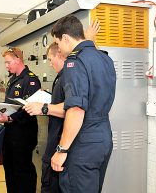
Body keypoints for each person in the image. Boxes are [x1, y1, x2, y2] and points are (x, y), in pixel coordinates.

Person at [23, 21, 100, 193]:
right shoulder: (68, 74)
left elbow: (75, 108)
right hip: (81, 142)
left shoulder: (71, 72)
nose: (49, 64)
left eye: (50, 59)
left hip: (64, 142)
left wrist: (44, 107)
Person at [50, 14, 116, 193]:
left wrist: (61, 150)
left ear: (65, 37)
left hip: (83, 141)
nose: (59, 49)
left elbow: (77, 109)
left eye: (58, 43)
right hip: (103, 138)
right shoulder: (105, 58)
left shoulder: (74, 62)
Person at [0, 47, 41, 193]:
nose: (6, 66)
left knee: (22, 172)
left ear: (18, 59)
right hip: (10, 134)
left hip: (23, 135)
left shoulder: (31, 80)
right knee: (10, 171)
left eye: (8, 62)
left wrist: (9, 118)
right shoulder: (13, 79)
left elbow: (29, 109)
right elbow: (12, 104)